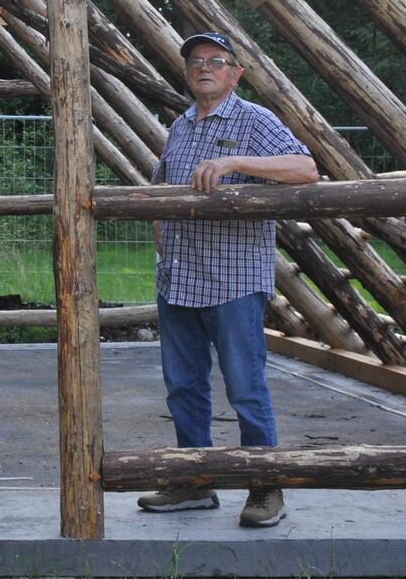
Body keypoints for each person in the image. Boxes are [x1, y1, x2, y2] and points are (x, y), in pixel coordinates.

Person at [137, 31, 318, 529]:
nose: (204, 68)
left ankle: (265, 485)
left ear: (236, 73)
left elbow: (306, 168)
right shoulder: (180, 126)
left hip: (233, 280)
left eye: (216, 61)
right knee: (184, 386)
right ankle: (195, 483)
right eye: (196, 61)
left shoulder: (253, 119)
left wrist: (235, 161)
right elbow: (162, 187)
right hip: (179, 279)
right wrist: (161, 235)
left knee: (245, 386)